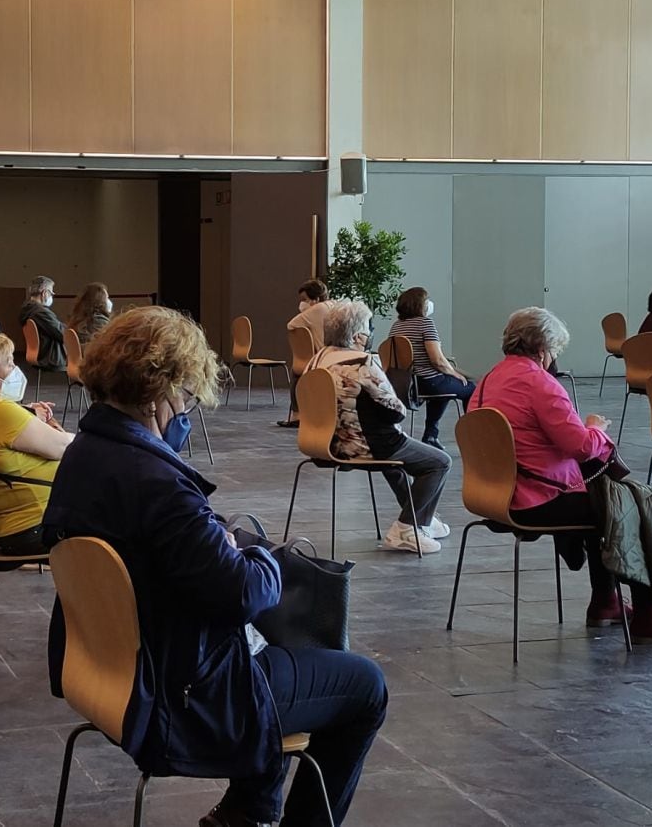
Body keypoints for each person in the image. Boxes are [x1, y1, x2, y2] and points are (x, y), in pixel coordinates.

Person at [43, 306, 387, 827]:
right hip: (184, 692)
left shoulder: (84, 455)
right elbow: (245, 592)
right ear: (159, 391)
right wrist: (258, 556)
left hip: (108, 670)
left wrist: (213, 541)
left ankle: (248, 811)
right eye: (185, 397)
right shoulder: (156, 482)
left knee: (283, 649)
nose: (187, 410)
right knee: (364, 685)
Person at [474, 307, 652, 642]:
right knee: (633, 507)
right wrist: (596, 428)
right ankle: (648, 614)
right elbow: (582, 448)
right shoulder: (539, 383)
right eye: (555, 351)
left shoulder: (488, 381)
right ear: (543, 349)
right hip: (537, 498)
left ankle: (606, 602)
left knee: (605, 501)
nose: (554, 358)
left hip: (495, 494)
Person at [307, 299, 451, 554]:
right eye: (369, 329)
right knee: (439, 462)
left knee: (396, 463)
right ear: (358, 337)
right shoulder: (362, 363)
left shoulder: (316, 360)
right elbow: (398, 412)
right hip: (363, 446)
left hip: (325, 443)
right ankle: (406, 529)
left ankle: (420, 519)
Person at [0, 332, 74, 555]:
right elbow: (65, 448)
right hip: (38, 526)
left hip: (12, 527)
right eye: (8, 363)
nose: (15, 369)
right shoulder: (0, 412)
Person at [387, 287, 474, 449]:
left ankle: (431, 435)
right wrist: (456, 373)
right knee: (471, 389)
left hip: (408, 384)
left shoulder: (396, 327)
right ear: (420, 304)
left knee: (445, 389)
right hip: (429, 381)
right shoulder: (425, 323)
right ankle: (472, 437)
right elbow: (437, 360)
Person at [279, 278, 333, 428]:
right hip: (333, 355)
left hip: (323, 357)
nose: (301, 303)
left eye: (304, 299)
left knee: (297, 370)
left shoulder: (317, 309)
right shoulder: (334, 306)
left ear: (315, 299)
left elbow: (292, 325)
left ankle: (297, 415)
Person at [18, 275, 67, 371]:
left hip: (40, 354)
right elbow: (62, 334)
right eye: (51, 293)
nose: (52, 296)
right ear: (44, 293)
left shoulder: (27, 310)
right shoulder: (41, 312)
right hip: (51, 357)